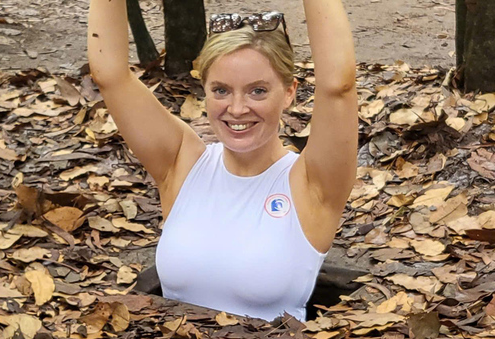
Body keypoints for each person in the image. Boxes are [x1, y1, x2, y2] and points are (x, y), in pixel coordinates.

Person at [87, 1, 357, 322]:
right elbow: (110, 74)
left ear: (288, 93)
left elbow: (338, 85)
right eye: (221, 90)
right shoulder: (181, 163)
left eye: (257, 91)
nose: (237, 108)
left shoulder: (312, 183)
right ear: (204, 90)